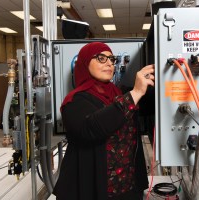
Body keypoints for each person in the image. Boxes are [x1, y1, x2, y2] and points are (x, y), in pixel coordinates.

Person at [53, 42, 155, 200]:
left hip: (128, 187)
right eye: (101, 58)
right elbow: (91, 128)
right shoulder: (74, 101)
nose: (109, 63)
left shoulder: (120, 92)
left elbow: (153, 105)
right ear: (85, 62)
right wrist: (135, 93)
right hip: (92, 189)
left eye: (111, 59)